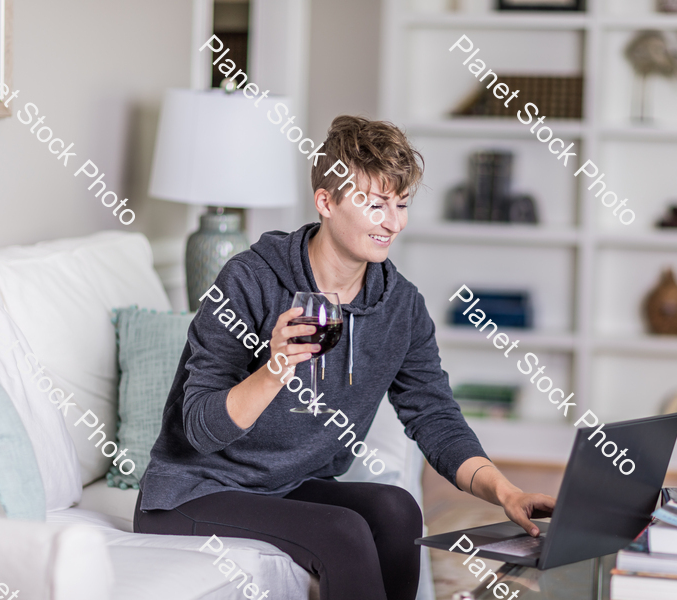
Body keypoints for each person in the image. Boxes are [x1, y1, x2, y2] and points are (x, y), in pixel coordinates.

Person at [134, 116, 555, 600]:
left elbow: (435, 415)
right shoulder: (249, 280)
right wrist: (274, 370)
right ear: (326, 202)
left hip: (286, 484)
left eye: (400, 205)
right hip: (194, 490)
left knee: (397, 509)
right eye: (375, 205)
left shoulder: (400, 306)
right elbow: (198, 428)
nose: (393, 223)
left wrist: (507, 493)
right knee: (342, 532)